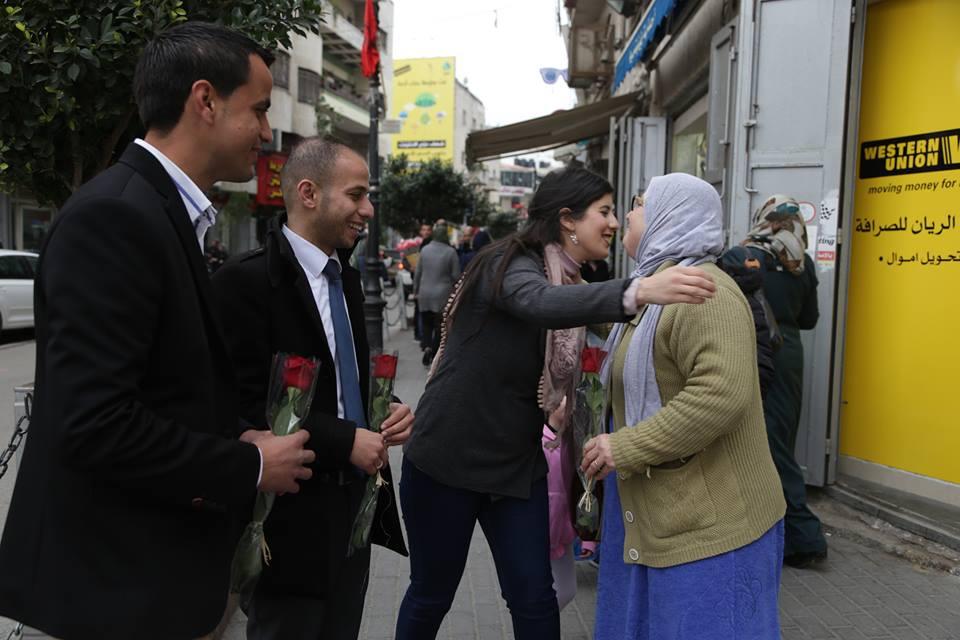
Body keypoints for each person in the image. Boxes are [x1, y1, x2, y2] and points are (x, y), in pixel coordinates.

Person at [0, 22, 315, 640]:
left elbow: (162, 387)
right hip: (112, 590)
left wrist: (235, 432)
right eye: (258, 109)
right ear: (205, 101)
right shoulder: (116, 215)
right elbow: (95, 423)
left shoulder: (158, 210)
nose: (265, 132)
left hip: (144, 580)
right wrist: (248, 463)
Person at [395, 167, 717, 640]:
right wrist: (640, 290)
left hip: (515, 466)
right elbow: (539, 303)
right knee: (432, 594)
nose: (613, 223)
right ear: (568, 220)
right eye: (604, 212)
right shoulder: (508, 262)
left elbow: (607, 327)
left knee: (535, 599)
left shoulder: (571, 278)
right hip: (446, 460)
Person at [212, 137, 412, 639]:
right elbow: (241, 407)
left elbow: (344, 381)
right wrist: (346, 440)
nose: (368, 210)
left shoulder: (346, 277)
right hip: (288, 520)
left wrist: (388, 410)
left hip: (354, 510)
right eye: (356, 195)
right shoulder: (245, 283)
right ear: (308, 193)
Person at [581, 173, 786, 640]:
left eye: (637, 204)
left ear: (668, 216)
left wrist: (625, 447)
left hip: (711, 530)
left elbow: (720, 393)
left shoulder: (702, 292)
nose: (625, 216)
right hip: (663, 517)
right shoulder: (656, 290)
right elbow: (632, 340)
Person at [742, 194, 826, 568]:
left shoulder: (748, 256)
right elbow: (809, 319)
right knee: (780, 439)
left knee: (768, 443)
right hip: (790, 354)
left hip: (757, 351)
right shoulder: (802, 262)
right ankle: (772, 529)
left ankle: (804, 538)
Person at [414, 222, 460, 366]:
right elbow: (456, 276)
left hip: (424, 293)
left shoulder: (425, 250)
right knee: (440, 326)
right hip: (442, 295)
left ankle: (427, 346)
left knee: (426, 324)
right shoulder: (451, 252)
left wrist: (415, 291)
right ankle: (434, 351)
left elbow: (418, 273)